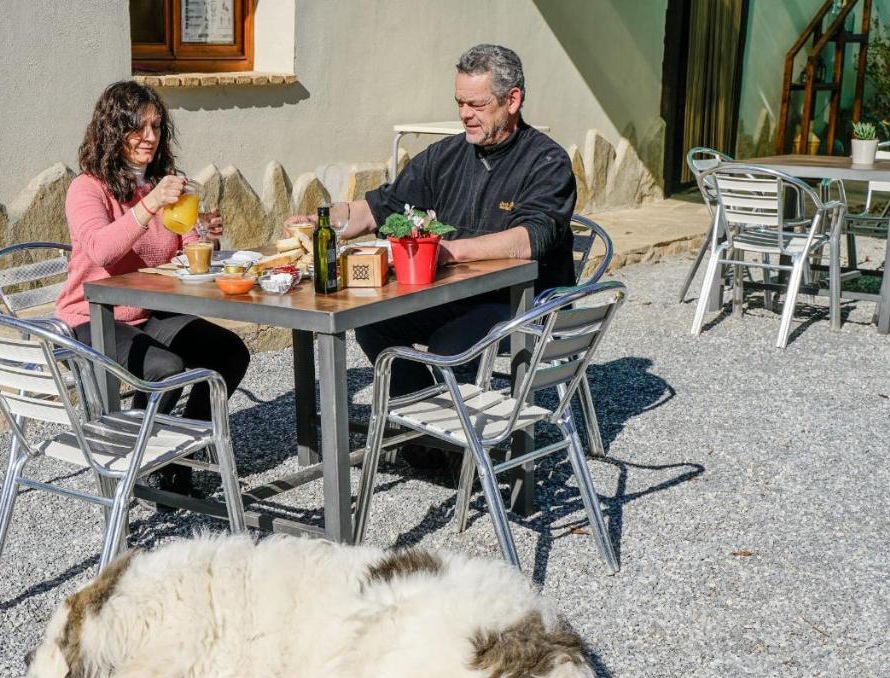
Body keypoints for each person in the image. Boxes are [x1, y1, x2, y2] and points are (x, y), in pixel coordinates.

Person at [290, 44, 576, 404]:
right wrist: (322, 221)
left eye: (477, 105)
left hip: (523, 302)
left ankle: (458, 444)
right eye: (460, 103)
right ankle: (424, 422)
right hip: (457, 295)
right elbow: (383, 207)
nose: (465, 115)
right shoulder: (446, 156)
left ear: (512, 100)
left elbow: (529, 239)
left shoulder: (546, 161)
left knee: (450, 344)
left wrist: (448, 251)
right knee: (371, 322)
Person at [54, 81, 251, 495]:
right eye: (137, 127)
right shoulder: (86, 188)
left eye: (156, 127)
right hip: (92, 318)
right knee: (166, 369)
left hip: (145, 311)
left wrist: (206, 235)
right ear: (113, 130)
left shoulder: (164, 184)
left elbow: (181, 250)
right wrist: (150, 204)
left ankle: (179, 458)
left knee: (229, 353)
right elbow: (102, 250)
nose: (149, 137)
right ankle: (137, 457)